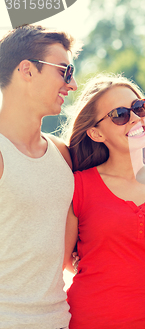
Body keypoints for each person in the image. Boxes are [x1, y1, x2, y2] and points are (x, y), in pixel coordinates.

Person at [62, 74, 145, 328]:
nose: (135, 119)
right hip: (87, 320)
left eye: (139, 108)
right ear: (96, 133)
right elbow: (64, 260)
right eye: (119, 115)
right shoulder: (78, 185)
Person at [0, 24, 80, 328]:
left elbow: (66, 255)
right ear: (27, 70)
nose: (71, 85)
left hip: (58, 321)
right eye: (65, 71)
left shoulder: (62, 154)